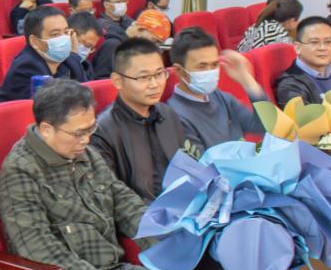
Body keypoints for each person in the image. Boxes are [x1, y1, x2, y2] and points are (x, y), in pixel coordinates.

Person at [0, 79, 160, 270]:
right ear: (46, 129)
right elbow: (36, 247)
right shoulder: (20, 170)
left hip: (114, 268)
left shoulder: (84, 154)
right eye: (78, 133)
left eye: (90, 129)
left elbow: (123, 201)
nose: (86, 140)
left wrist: (162, 245)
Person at [91, 38, 186, 201]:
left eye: (159, 74)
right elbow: (111, 196)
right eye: (143, 78)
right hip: (140, 213)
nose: (155, 84)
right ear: (118, 81)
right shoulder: (102, 131)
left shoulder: (168, 114)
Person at [167, 27, 267, 151]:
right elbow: (203, 162)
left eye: (215, 65)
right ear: (179, 71)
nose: (210, 71)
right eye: (202, 66)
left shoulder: (220, 97)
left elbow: (263, 126)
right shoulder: (176, 116)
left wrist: (248, 81)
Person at [0, 7, 90, 102]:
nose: (64, 39)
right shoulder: (27, 66)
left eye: (66, 32)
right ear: (35, 41)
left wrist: (74, 52)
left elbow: (86, 95)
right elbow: (53, 105)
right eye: (55, 34)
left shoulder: (70, 59)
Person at [275, 16, 331, 110]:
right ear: (297, 47)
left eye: (328, 42)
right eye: (314, 42)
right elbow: (306, 118)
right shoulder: (290, 84)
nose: (322, 48)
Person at [236, 0, 302, 52]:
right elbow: (293, 56)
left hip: (243, 61)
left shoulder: (258, 24)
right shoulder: (279, 34)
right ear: (292, 20)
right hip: (255, 63)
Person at [68, 12, 115, 80]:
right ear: (71, 34)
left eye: (91, 48)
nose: (87, 52)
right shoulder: (56, 66)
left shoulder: (86, 67)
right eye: (87, 45)